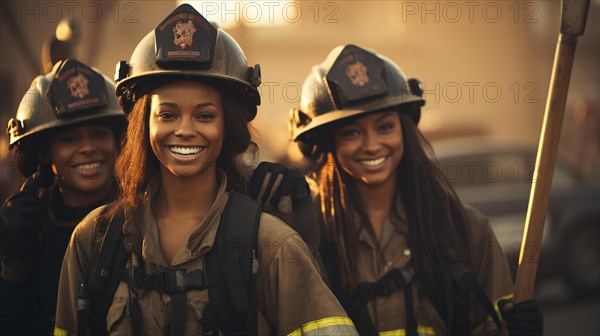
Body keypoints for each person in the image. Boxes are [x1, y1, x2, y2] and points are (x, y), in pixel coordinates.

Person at [54, 4, 357, 336]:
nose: (185, 130)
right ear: (144, 124)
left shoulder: (272, 243)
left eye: (204, 115)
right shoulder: (93, 240)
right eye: (168, 115)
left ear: (227, 126)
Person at [284, 44, 544, 335]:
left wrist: (515, 328)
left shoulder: (465, 228)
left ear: (404, 130)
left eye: (385, 127)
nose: (371, 145)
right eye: (352, 132)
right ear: (328, 145)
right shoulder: (306, 237)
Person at [0, 59, 126, 335]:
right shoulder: (30, 225)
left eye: (99, 133)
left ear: (118, 141)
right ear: (44, 153)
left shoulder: (142, 211)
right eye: (69, 139)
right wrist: (13, 267)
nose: (88, 148)